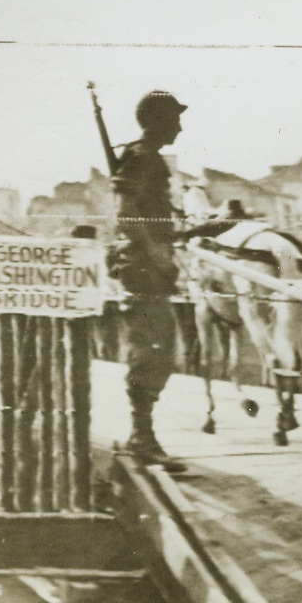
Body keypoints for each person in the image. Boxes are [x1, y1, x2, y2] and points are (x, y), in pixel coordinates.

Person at [109, 91, 189, 472]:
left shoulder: (150, 158)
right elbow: (125, 213)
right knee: (150, 352)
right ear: (157, 121)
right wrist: (156, 252)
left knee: (160, 351)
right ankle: (142, 437)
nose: (180, 126)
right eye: (174, 119)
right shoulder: (141, 157)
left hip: (151, 269)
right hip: (142, 269)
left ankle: (144, 435)